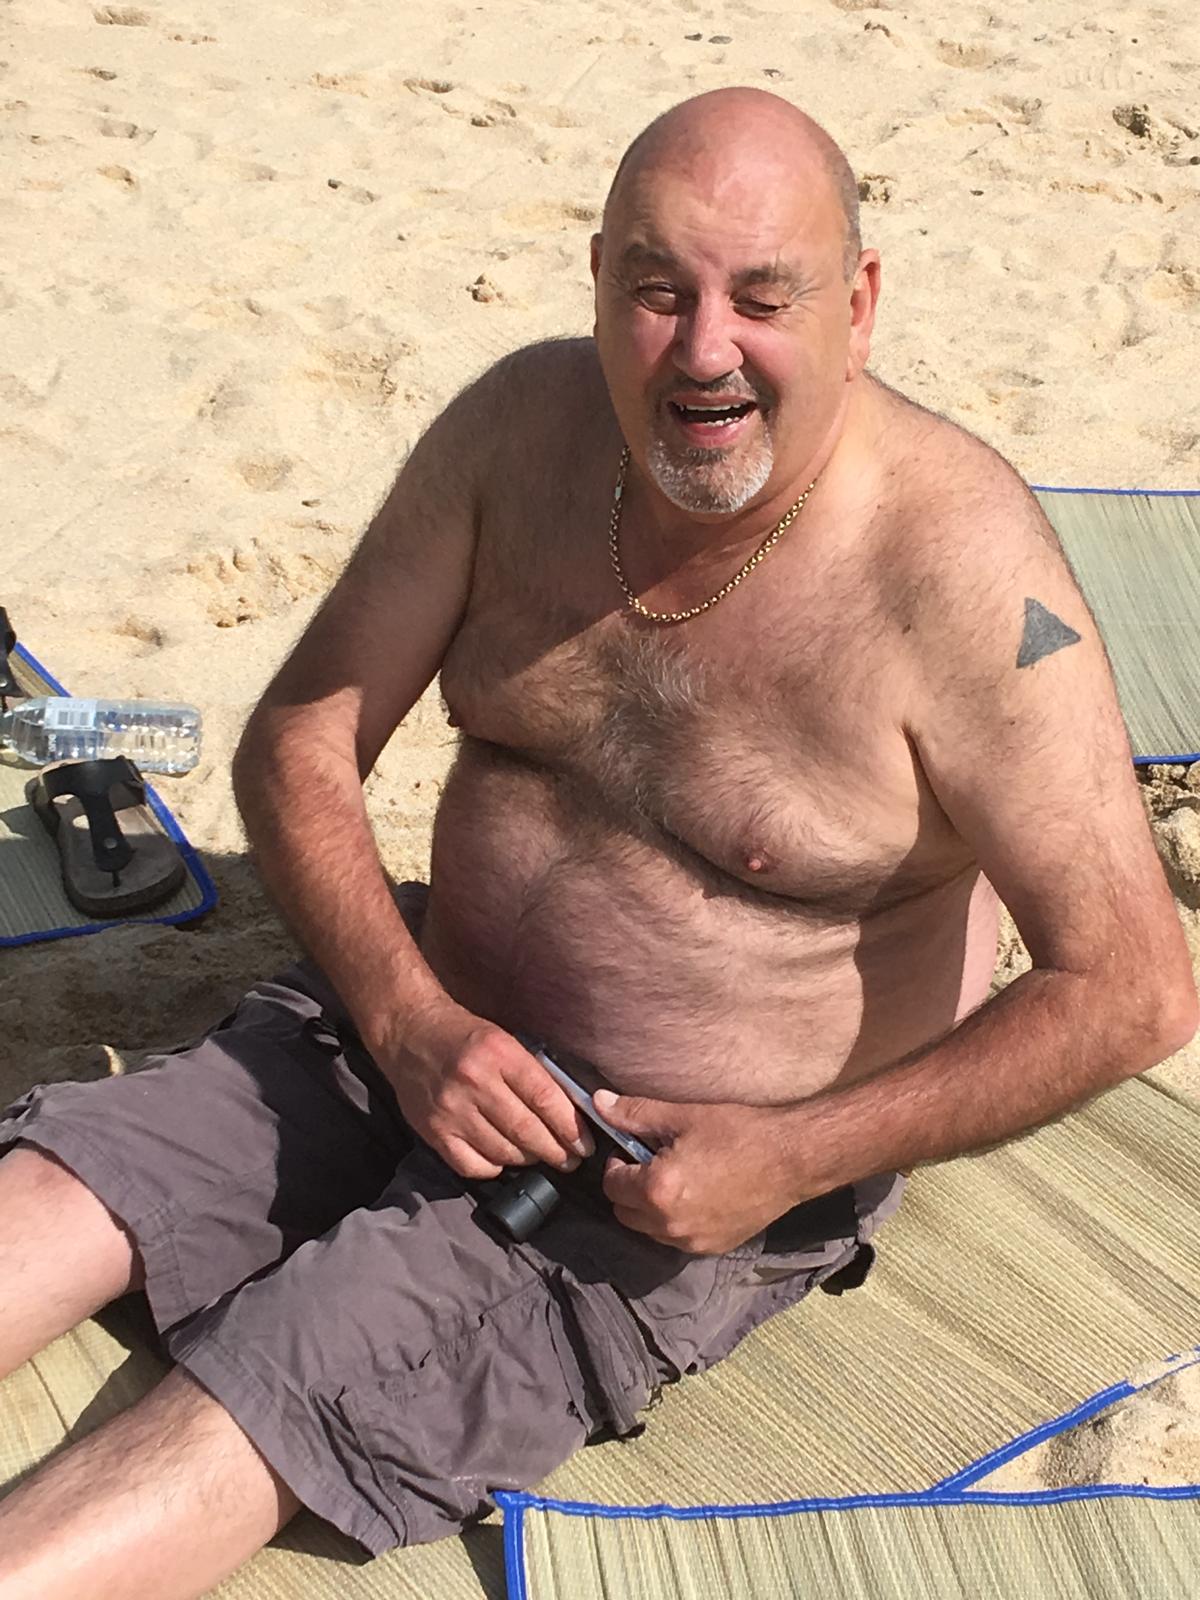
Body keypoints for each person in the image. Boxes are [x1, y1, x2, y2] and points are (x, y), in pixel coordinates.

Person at [0, 86, 1195, 1599]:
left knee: (257, 1397)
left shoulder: (963, 586)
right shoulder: (522, 433)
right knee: (51, 1198)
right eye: (656, 288)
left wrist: (791, 1158)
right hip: (397, 1025)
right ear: (596, 280)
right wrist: (408, 1017)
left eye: (764, 297)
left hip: (649, 1183)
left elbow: (1133, 983)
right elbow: (302, 735)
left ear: (859, 304)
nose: (704, 349)